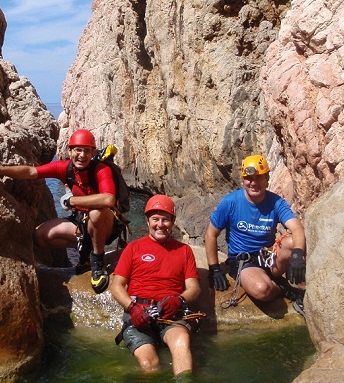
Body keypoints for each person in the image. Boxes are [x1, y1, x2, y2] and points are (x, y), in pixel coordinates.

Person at [0, 129, 118, 294]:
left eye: (86, 151)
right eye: (78, 150)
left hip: (106, 224)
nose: (82, 155)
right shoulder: (65, 168)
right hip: (82, 221)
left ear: (93, 153)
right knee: (39, 236)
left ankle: (97, 263)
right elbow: (31, 172)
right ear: (69, 151)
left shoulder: (101, 170)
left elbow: (108, 200)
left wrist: (72, 201)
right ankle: (86, 251)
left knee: (96, 213)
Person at [110, 195, 200, 378]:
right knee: (149, 364)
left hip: (171, 312)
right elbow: (116, 285)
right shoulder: (133, 248)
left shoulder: (184, 251)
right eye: (155, 219)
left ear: (173, 222)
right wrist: (132, 308)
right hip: (139, 314)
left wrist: (179, 299)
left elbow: (194, 287)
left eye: (165, 219)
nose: (160, 225)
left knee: (181, 342)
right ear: (147, 221)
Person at [205, 155, 307, 314]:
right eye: (248, 178)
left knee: (294, 243)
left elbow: (297, 227)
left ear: (266, 178)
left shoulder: (276, 202)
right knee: (262, 290)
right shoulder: (231, 202)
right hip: (244, 260)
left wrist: (297, 255)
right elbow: (211, 234)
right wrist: (215, 269)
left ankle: (302, 288)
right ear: (243, 180)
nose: (253, 183)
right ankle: (282, 288)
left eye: (258, 177)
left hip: (268, 256)